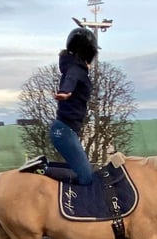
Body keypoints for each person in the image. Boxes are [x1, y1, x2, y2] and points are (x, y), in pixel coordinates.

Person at [19, 27, 98, 185]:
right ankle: (42, 169)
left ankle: (43, 164)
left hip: (64, 130)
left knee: (78, 167)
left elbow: (71, 77)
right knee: (85, 177)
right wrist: (66, 91)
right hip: (64, 131)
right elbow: (71, 79)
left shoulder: (73, 67)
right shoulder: (76, 69)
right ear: (88, 53)